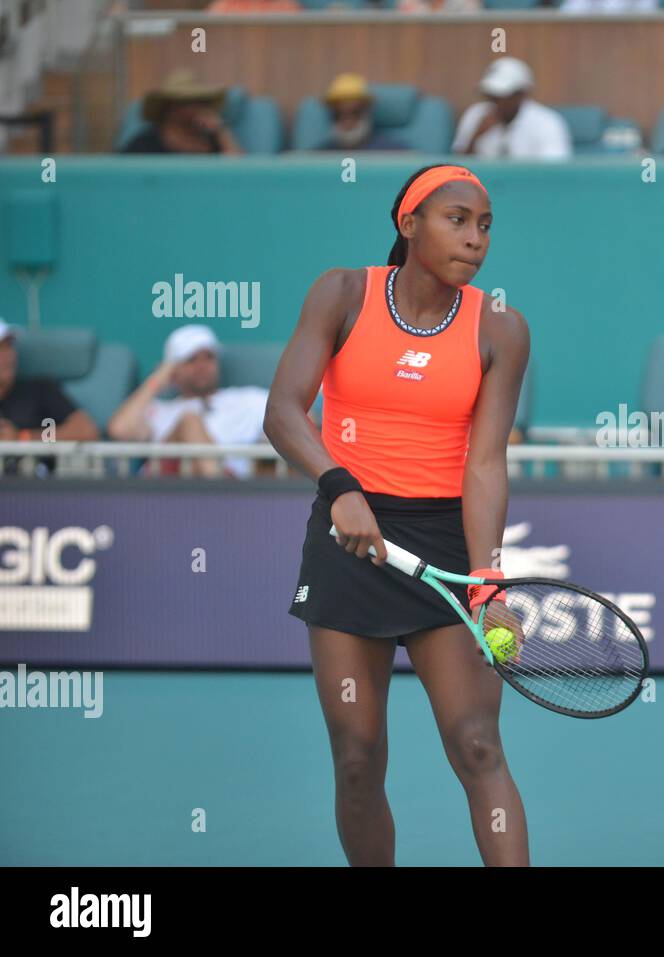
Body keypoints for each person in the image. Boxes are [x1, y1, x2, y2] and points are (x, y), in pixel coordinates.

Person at [262, 164, 531, 866]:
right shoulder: (342, 293)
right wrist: (338, 486)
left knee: (477, 743)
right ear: (408, 223)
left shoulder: (500, 329)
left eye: (485, 225)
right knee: (356, 755)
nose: (475, 238)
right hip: (347, 542)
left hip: (442, 545)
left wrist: (487, 581)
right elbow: (283, 412)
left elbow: (486, 464)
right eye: (457, 218)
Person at [106, 324, 269, 478]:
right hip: (170, 492)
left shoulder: (249, 400)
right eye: (191, 359)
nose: (202, 366)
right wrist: (157, 379)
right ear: (173, 369)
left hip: (237, 482)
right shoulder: (159, 409)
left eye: (209, 357)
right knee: (189, 421)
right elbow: (119, 429)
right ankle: (228, 497)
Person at [0, 318, 100, 475]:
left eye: (9, 347)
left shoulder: (39, 391)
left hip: (36, 489)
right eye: (0, 349)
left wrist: (22, 437)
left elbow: (86, 430)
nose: (9, 356)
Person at [453, 58, 572, 161]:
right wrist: (476, 136)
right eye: (491, 95)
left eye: (503, 96)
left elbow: (554, 172)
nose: (496, 102)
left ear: (522, 94)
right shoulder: (476, 114)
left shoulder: (547, 122)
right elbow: (457, 168)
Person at [119, 70, 244, 155]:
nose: (199, 107)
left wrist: (220, 130)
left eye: (202, 100)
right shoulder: (145, 143)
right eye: (189, 101)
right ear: (170, 107)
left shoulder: (212, 139)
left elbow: (240, 172)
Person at [317, 73, 407, 152]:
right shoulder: (317, 158)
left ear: (368, 112)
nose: (347, 121)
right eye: (338, 114)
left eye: (355, 112)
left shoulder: (395, 153)